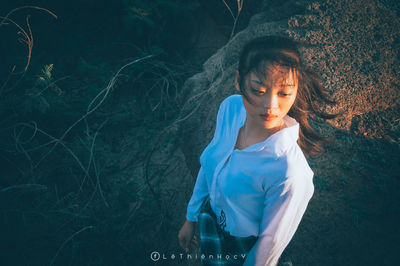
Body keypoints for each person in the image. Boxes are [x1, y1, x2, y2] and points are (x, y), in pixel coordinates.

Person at [178, 35, 340, 266]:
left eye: (284, 93)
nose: (271, 105)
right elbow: (211, 163)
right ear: (239, 81)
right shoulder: (231, 109)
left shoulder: (289, 171)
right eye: (258, 89)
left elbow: (270, 243)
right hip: (210, 220)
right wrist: (191, 217)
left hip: (245, 248)